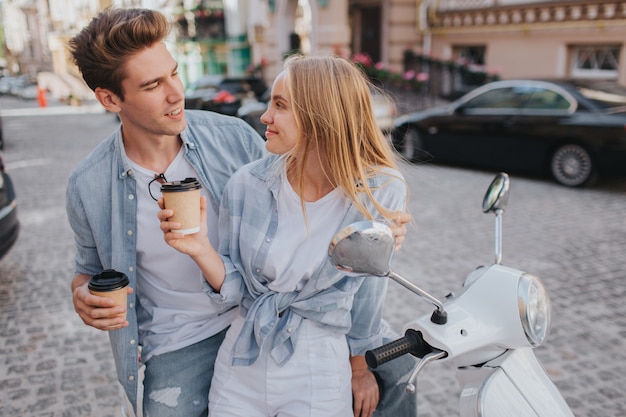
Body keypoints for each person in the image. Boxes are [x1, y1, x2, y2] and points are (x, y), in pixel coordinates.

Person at [66, 7, 415, 417]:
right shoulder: (89, 184)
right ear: (110, 98)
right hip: (183, 338)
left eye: (174, 73)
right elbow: (87, 271)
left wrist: (372, 232)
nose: (176, 92)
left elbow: (305, 179)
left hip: (273, 312)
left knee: (400, 377)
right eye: (153, 85)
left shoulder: (232, 138)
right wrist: (84, 296)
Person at [158, 54, 410, 417]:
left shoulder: (380, 190)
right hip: (242, 356)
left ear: (319, 114)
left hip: (320, 362)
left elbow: (369, 291)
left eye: (279, 105)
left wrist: (360, 367)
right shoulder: (247, 183)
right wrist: (200, 250)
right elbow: (236, 289)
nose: (265, 117)